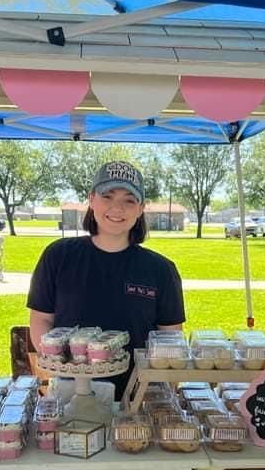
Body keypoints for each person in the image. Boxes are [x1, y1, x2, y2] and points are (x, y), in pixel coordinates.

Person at [28, 160, 186, 399]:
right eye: (108, 196)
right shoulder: (59, 256)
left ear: (141, 208)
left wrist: (162, 399)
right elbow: (41, 320)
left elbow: (170, 340)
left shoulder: (161, 269)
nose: (117, 208)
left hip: (137, 399)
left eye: (129, 200)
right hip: (70, 395)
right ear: (91, 199)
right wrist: (62, 361)